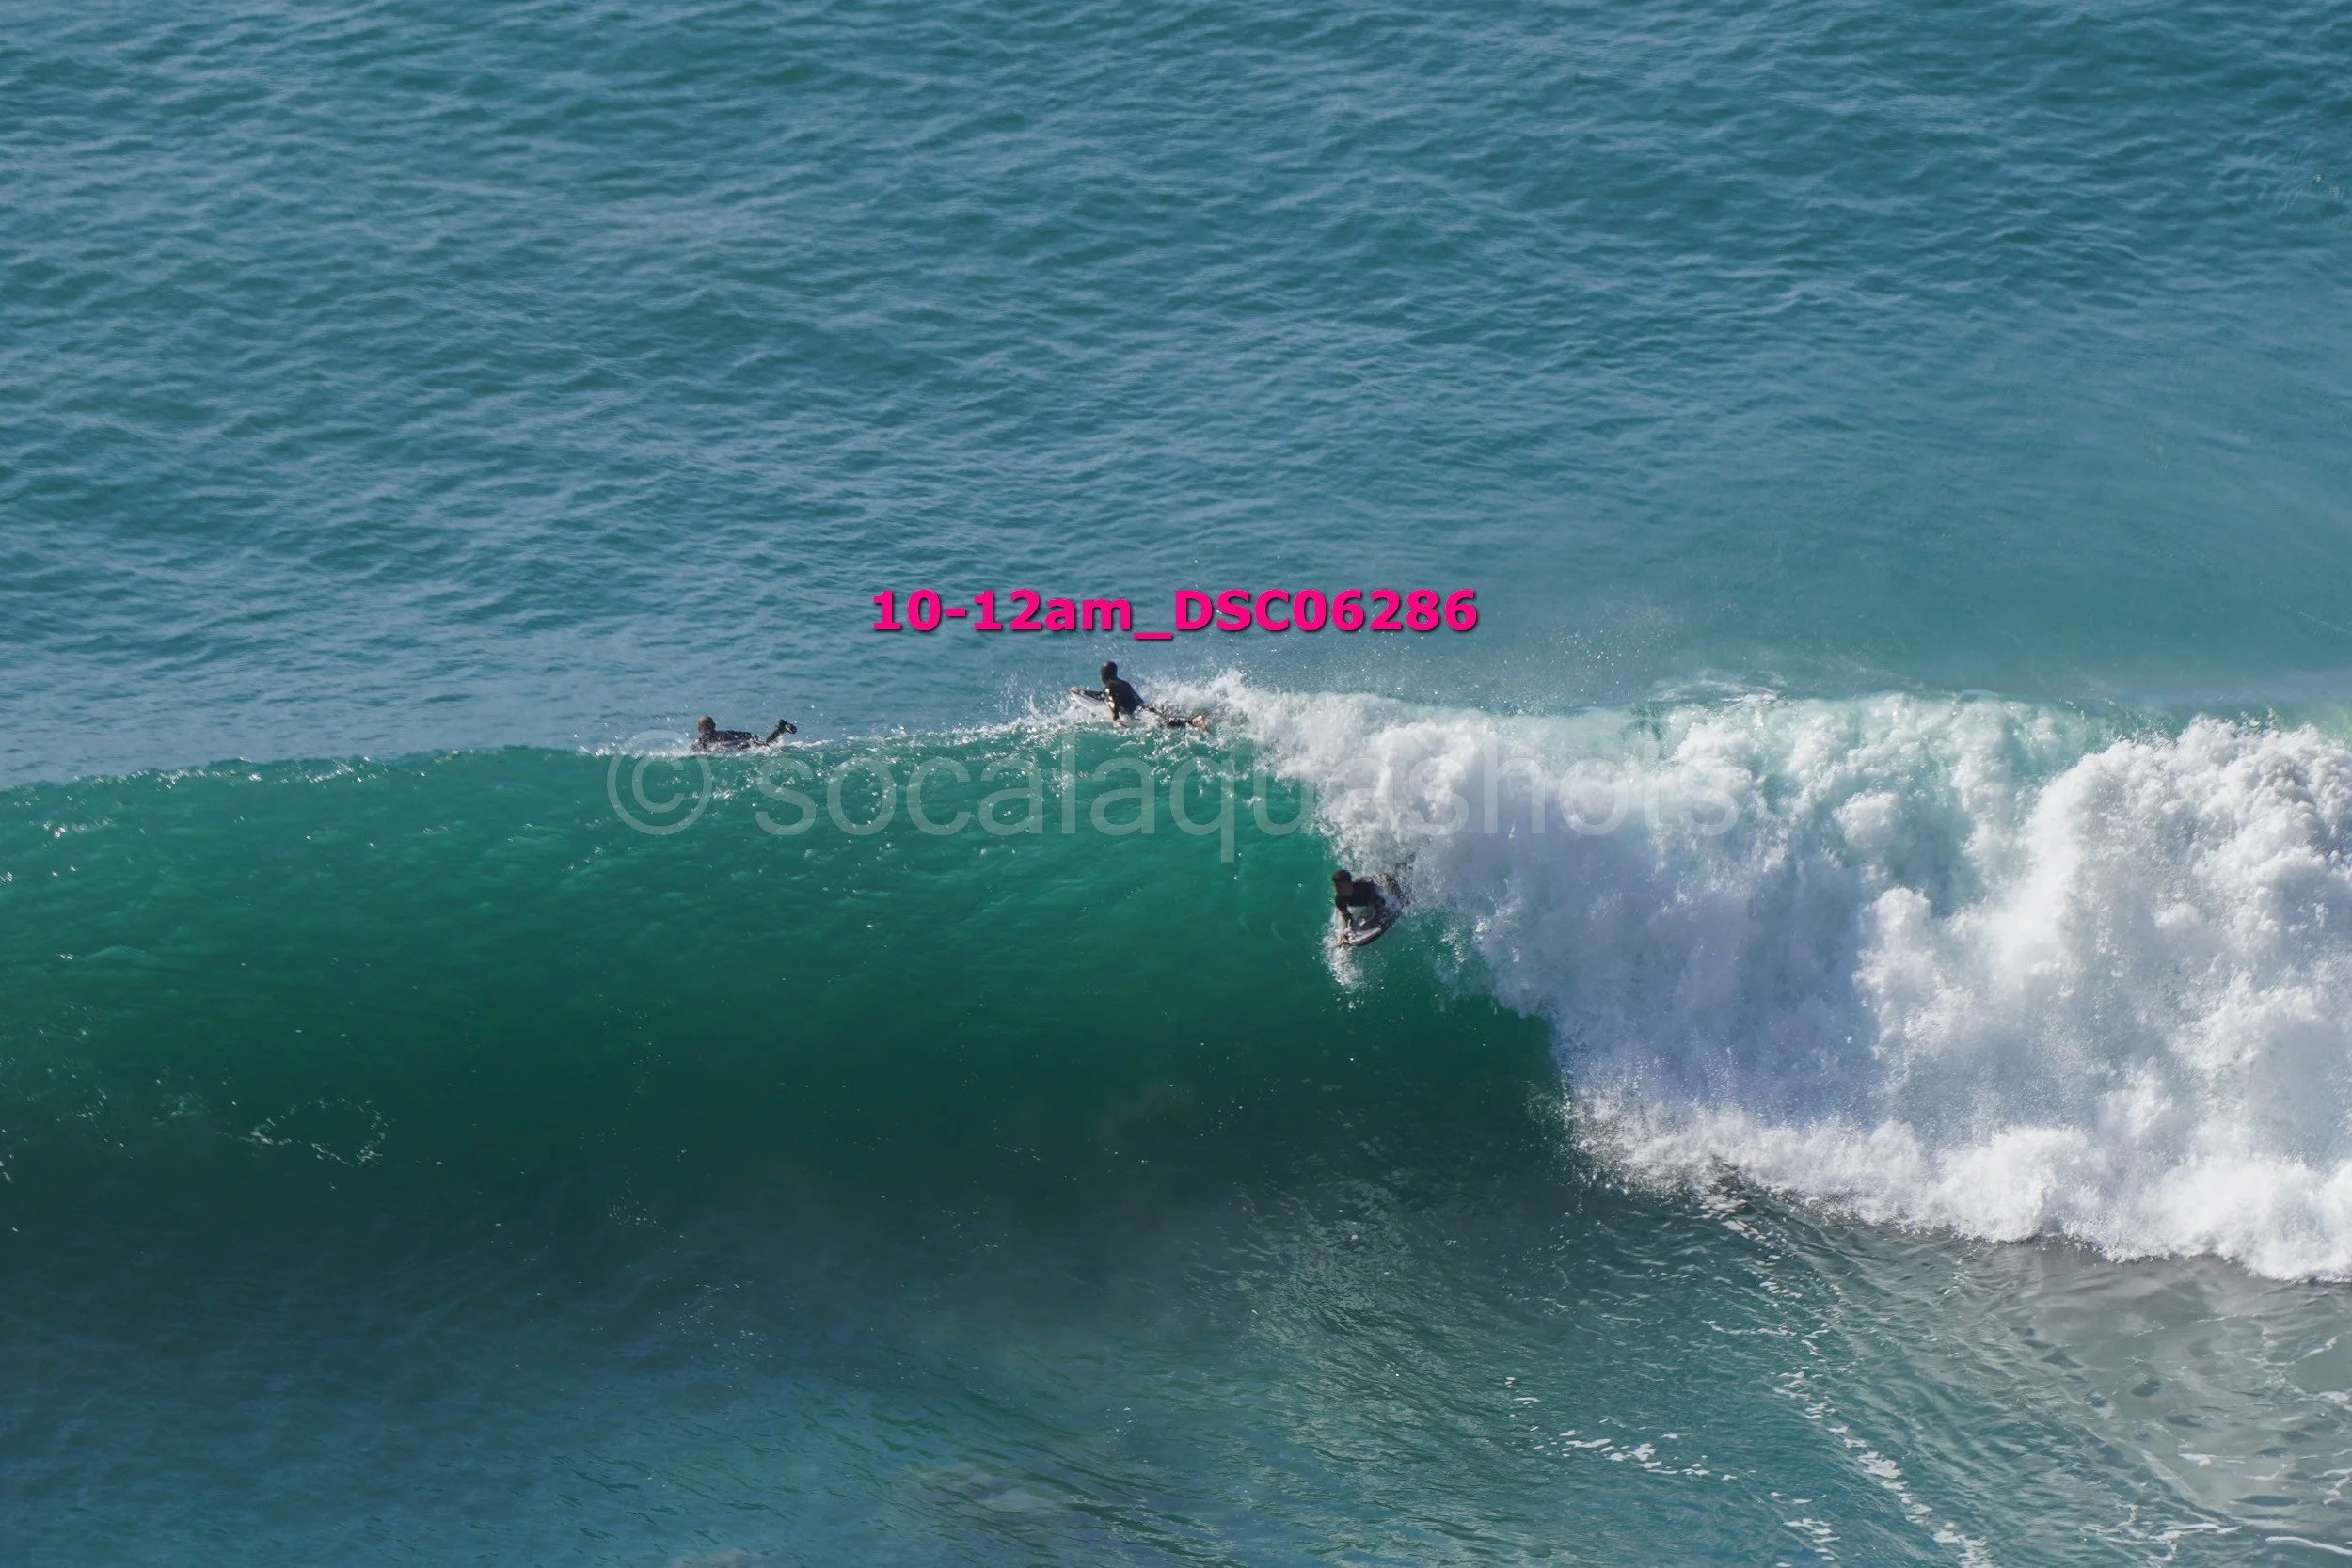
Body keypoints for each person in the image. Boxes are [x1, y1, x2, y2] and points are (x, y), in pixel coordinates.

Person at [1076, 662, 1206, 729]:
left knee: (1164, 723)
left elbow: (1111, 698)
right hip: (1146, 707)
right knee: (1166, 717)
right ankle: (1193, 718)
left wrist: (1115, 717)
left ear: (1102, 676)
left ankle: (1193, 721)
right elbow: (1102, 695)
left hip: (1140, 714)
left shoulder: (1110, 687)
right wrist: (1083, 693)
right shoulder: (1123, 683)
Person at [693, 715, 796, 752]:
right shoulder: (724, 734)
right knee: (765, 744)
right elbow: (751, 735)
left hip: (740, 746)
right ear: (714, 725)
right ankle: (780, 730)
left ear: (699, 728)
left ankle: (780, 730)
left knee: (765, 745)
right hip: (741, 744)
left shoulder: (699, 743)